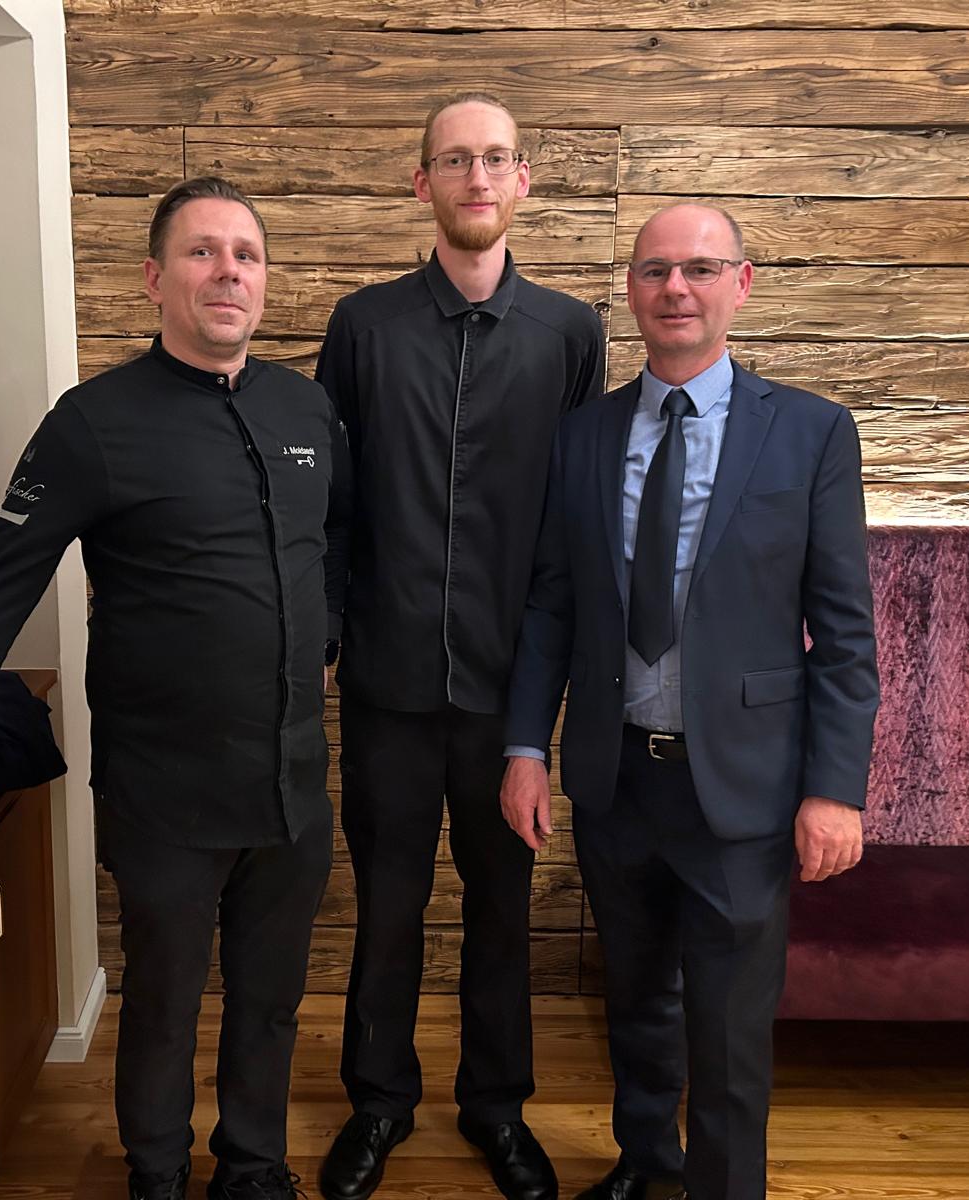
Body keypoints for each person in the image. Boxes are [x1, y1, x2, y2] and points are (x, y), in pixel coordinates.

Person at [0, 177, 350, 1200]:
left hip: (293, 780)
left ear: (264, 281)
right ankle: (156, 1174)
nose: (228, 273)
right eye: (202, 252)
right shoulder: (92, 423)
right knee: (163, 1001)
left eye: (246, 255)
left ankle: (253, 1169)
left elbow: (332, 544)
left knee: (269, 1000)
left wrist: (323, 633)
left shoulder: (307, 408)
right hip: (163, 790)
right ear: (154, 279)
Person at [501, 203, 879, 1200]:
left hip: (745, 791)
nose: (676, 288)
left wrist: (835, 789)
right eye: (655, 270)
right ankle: (646, 1166)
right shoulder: (582, 437)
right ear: (630, 291)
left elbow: (845, 635)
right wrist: (525, 747)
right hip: (617, 778)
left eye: (700, 268)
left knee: (729, 1032)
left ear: (739, 285)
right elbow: (551, 605)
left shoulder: (810, 433)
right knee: (635, 1005)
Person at [314, 93, 605, 1200]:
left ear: (521, 179)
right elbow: (334, 503)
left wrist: (551, 688)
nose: (475, 178)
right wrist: (331, 635)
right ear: (422, 181)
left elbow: (571, 523)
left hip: (508, 695)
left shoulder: (570, 333)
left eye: (494, 159)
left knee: (501, 911)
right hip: (386, 684)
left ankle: (497, 1109)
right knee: (386, 906)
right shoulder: (362, 325)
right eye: (453, 160)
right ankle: (378, 1105)